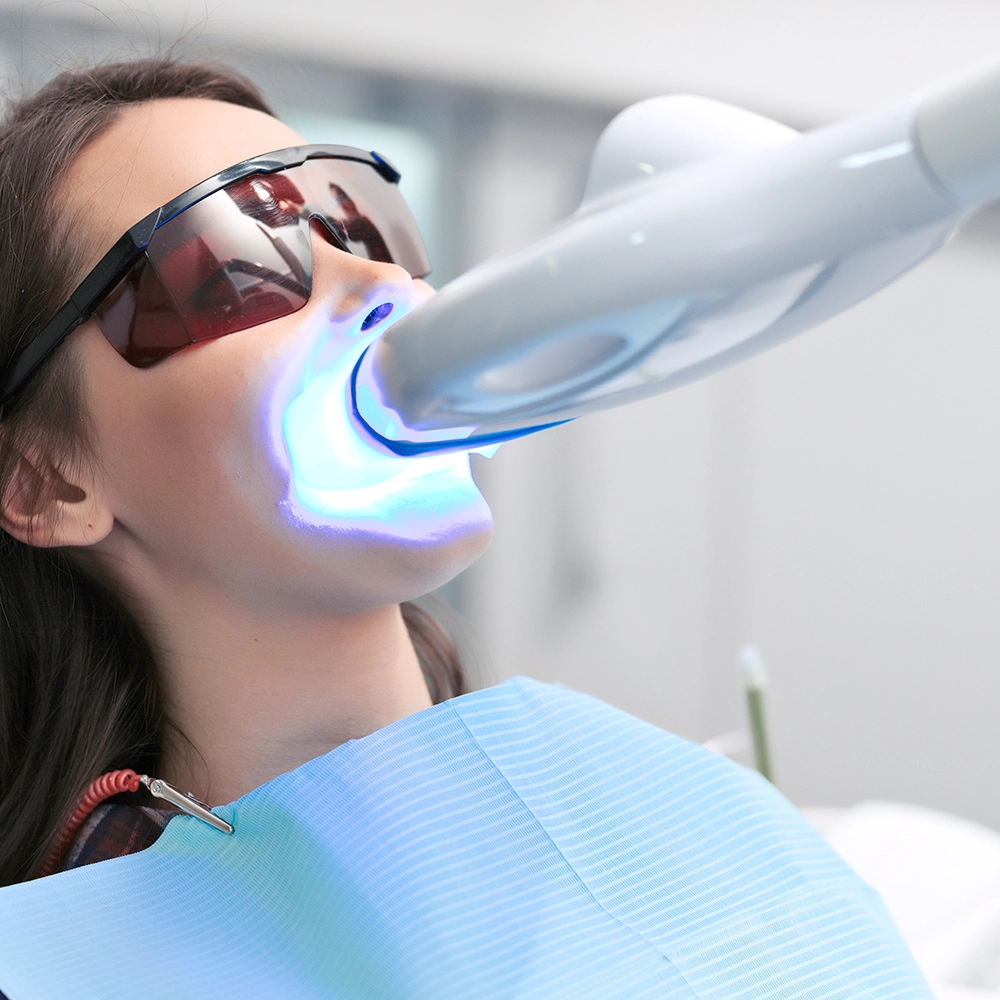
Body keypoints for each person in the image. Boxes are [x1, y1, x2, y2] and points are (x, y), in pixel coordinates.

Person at [0, 59, 933, 999]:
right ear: (44, 480)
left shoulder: (709, 826)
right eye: (232, 267)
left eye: (365, 223)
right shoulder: (57, 958)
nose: (375, 280)